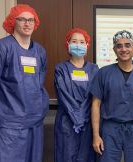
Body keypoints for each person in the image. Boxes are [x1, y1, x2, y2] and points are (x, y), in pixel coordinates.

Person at [0, 4, 49, 162]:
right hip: (9, 123)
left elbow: (39, 85)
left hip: (34, 121)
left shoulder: (40, 52)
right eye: (22, 20)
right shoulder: (0, 48)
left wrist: (40, 110)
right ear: (13, 21)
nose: (27, 23)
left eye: (31, 20)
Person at [90, 30, 133, 162]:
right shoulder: (104, 73)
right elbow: (95, 104)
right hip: (110, 128)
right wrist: (96, 135)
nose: (124, 49)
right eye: (119, 46)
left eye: (127, 45)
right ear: (114, 50)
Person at [54, 28, 98, 162]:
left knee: (86, 156)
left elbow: (93, 95)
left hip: (88, 121)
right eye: (74, 41)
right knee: (65, 156)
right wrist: (78, 117)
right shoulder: (61, 68)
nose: (78, 44)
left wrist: (81, 117)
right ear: (67, 44)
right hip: (67, 121)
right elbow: (63, 95)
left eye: (82, 41)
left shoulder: (94, 69)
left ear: (87, 45)